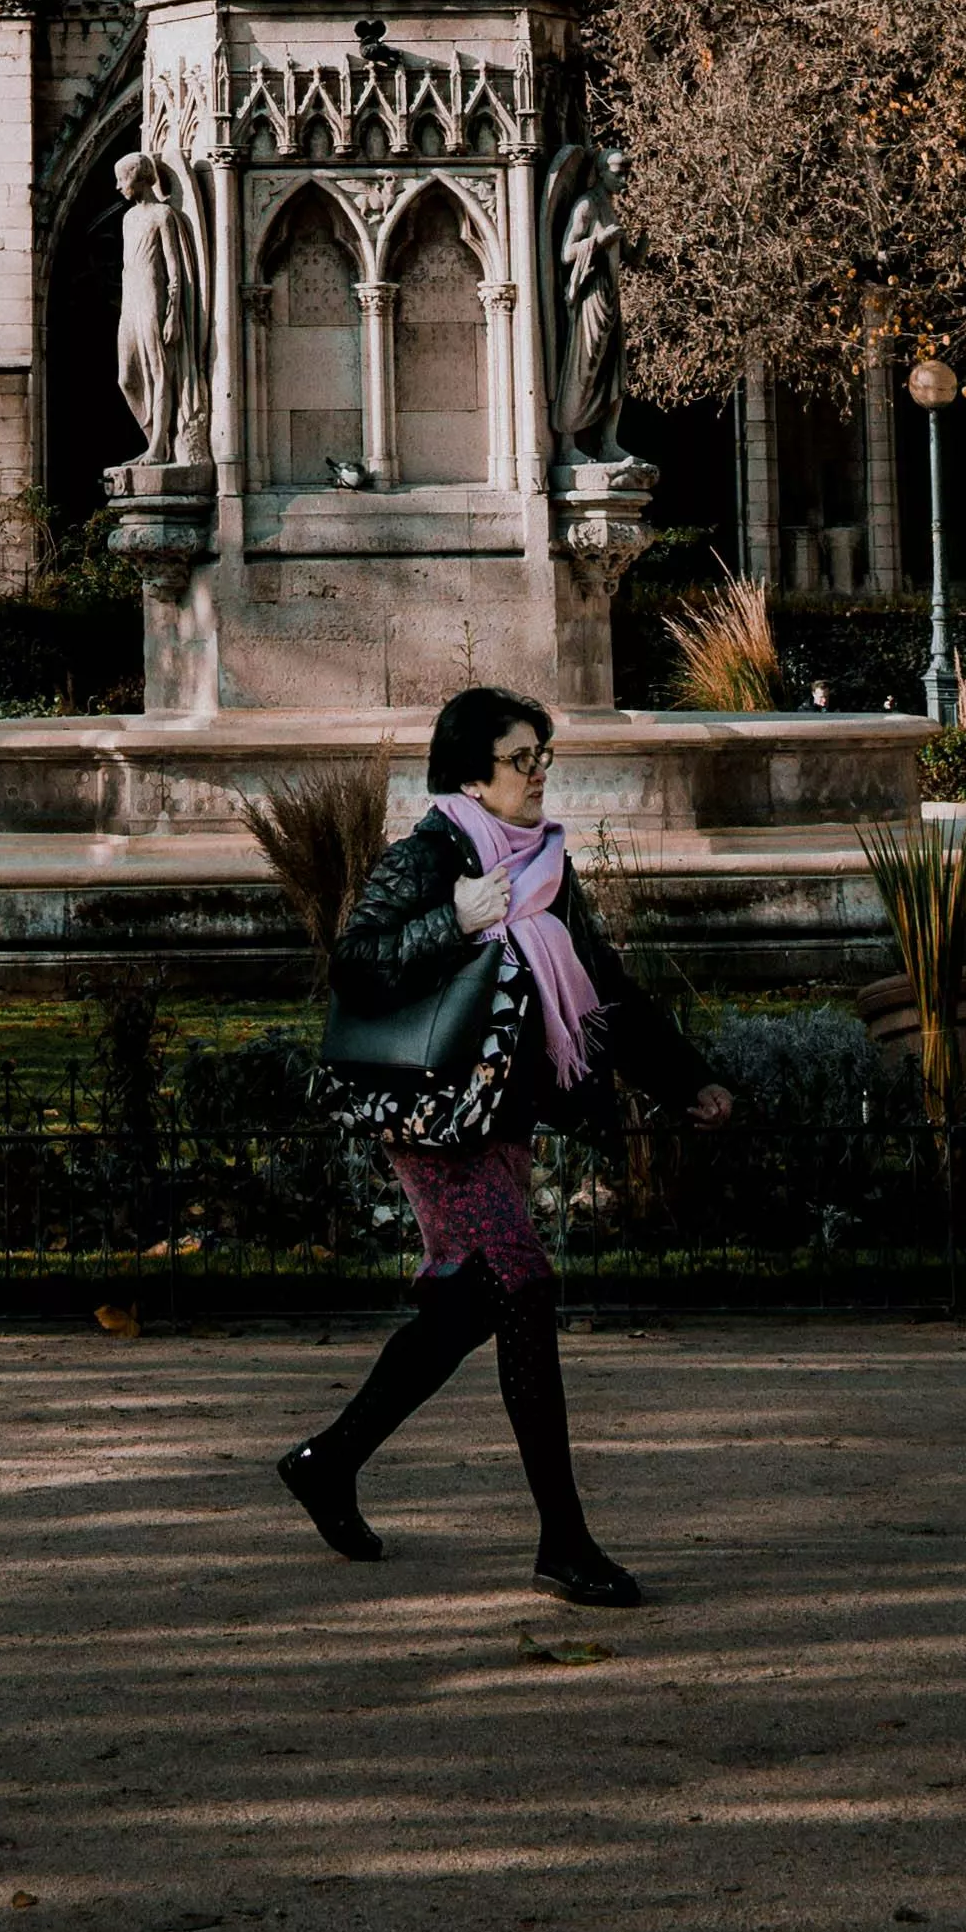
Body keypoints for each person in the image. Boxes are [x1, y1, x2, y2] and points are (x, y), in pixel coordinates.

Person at [277, 684, 730, 1607]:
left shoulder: (547, 867)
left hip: (501, 1119)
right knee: (521, 1283)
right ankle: (562, 1541)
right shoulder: (430, 854)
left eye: (542, 757)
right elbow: (354, 961)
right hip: (437, 1122)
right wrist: (457, 919)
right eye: (523, 758)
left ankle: (328, 1461)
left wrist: (690, 1081)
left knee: (471, 1302)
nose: (538, 773)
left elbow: (604, 990)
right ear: (471, 773)